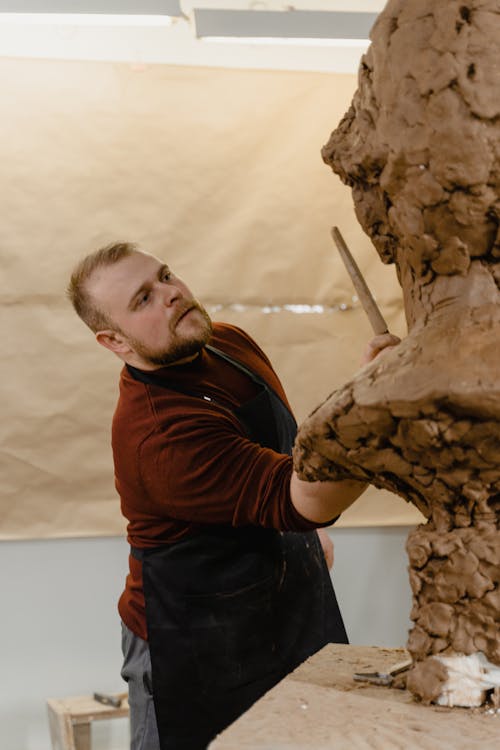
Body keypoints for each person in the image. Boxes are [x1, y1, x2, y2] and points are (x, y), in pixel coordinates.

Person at [67, 242, 399, 750]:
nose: (172, 294)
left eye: (166, 276)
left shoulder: (227, 343)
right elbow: (302, 499)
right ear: (114, 341)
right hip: (192, 646)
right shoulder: (158, 434)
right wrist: (385, 405)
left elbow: (295, 457)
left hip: (281, 611)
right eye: (143, 300)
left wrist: (370, 382)